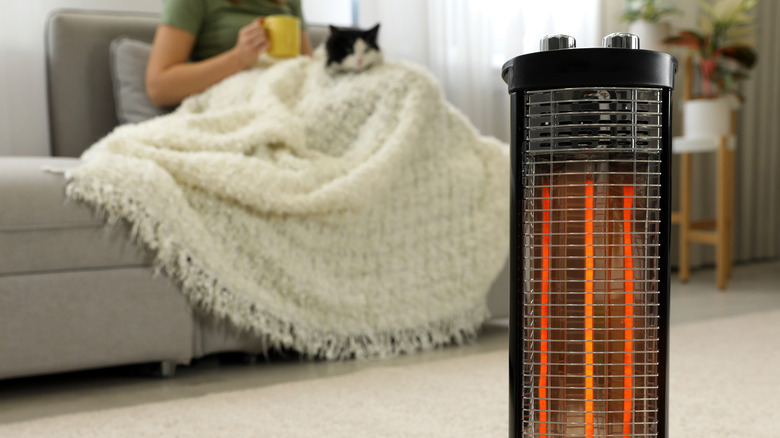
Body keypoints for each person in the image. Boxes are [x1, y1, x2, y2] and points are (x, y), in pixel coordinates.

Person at [146, 0, 313, 107]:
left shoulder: (289, 2)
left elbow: (311, 70)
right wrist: (238, 59)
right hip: (232, 105)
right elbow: (159, 87)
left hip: (289, 103)